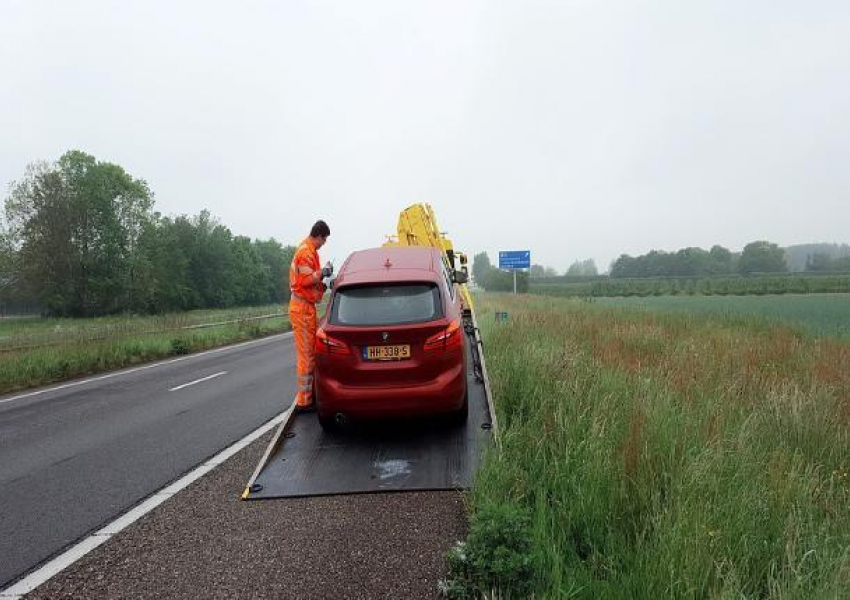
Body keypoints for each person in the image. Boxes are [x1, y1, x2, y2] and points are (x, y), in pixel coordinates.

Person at [289, 220, 333, 411]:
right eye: (324, 240)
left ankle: (308, 397)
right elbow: (305, 280)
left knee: (310, 353)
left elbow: (312, 284)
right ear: (319, 236)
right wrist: (322, 273)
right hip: (302, 308)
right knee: (307, 356)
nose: (324, 244)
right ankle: (304, 401)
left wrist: (324, 281)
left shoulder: (310, 251)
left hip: (305, 307)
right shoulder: (305, 252)